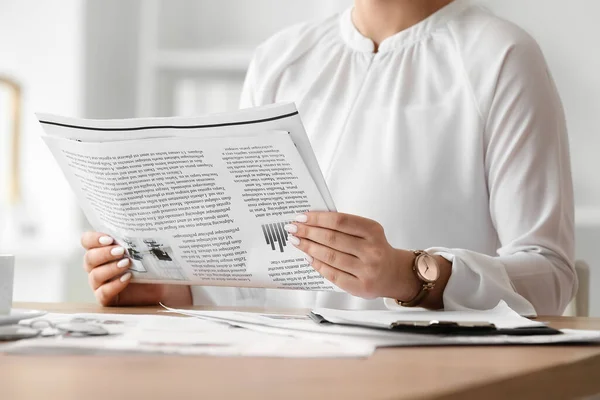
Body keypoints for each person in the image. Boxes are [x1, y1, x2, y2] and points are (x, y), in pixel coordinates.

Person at [81, 0, 576, 315]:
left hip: (432, 380)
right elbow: (264, 271)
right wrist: (171, 290)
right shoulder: (280, 59)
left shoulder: (500, 56)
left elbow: (550, 277)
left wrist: (414, 274)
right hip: (285, 377)